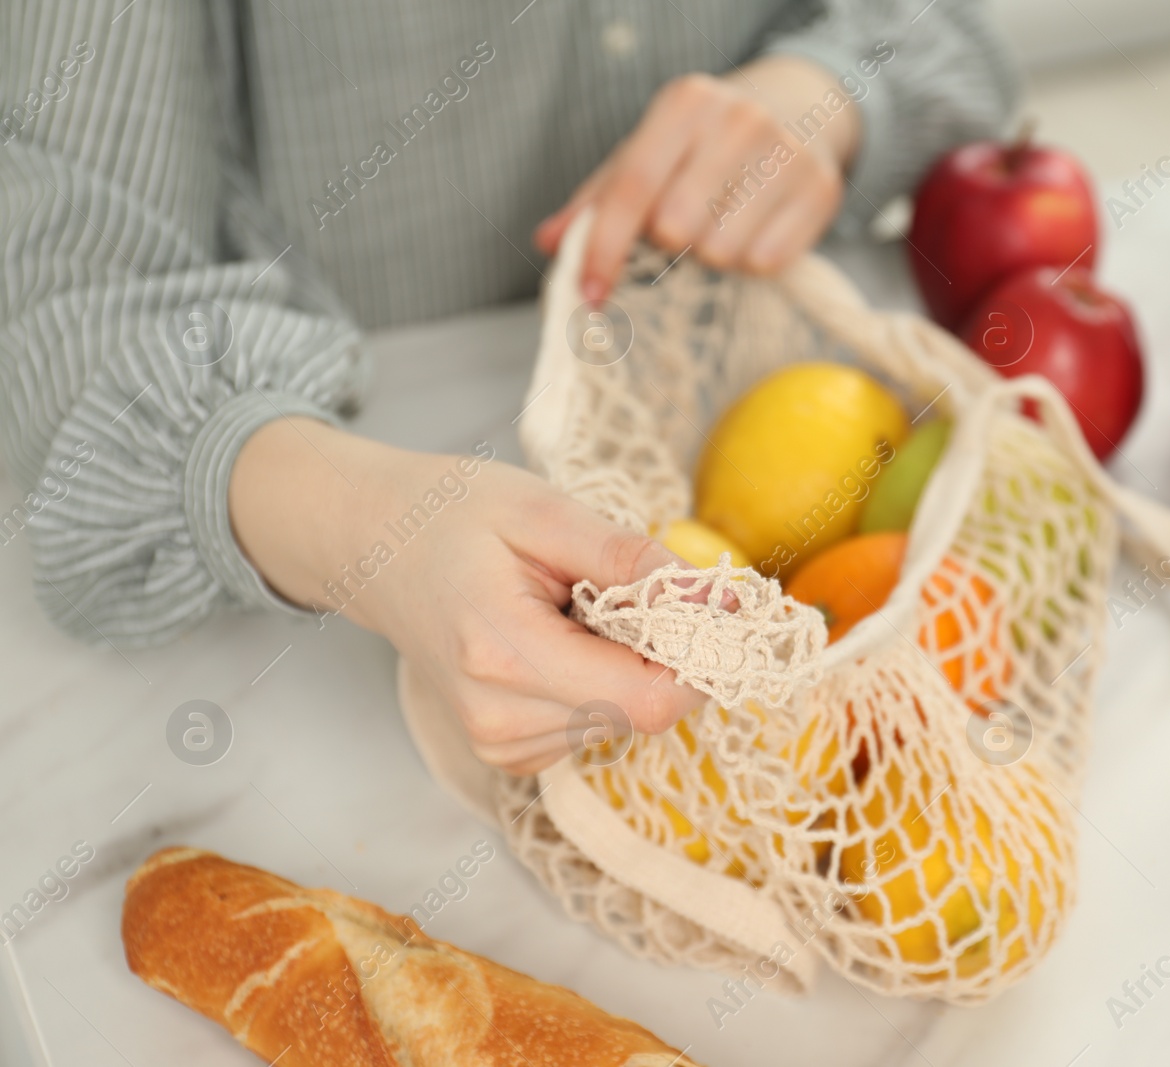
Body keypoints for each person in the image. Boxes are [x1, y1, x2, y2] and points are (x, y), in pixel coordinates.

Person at [0, 2, 1016, 774]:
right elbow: (68, 308)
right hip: (319, 622)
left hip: (790, 372)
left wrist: (827, 86)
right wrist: (367, 532)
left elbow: (952, 33)